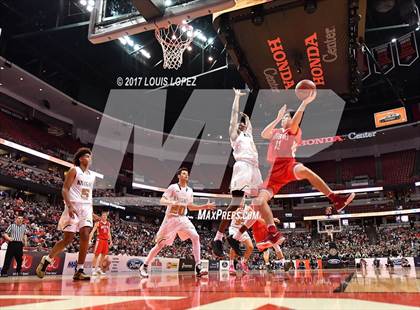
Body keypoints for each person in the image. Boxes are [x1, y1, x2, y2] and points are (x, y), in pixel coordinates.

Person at [235, 90, 355, 250]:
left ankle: (336, 199)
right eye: (284, 117)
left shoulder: (294, 131)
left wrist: (304, 103)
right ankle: (272, 232)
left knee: (305, 171)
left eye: (286, 117)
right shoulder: (277, 132)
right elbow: (264, 134)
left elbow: (294, 122)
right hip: (275, 172)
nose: (285, 118)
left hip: (288, 165)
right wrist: (278, 118)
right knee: (259, 200)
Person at [211, 88, 263, 258]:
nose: (241, 123)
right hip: (242, 167)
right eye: (240, 123)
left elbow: (249, 123)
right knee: (235, 203)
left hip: (255, 169)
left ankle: (235, 236)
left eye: (244, 123)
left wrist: (248, 119)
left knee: (259, 205)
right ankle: (218, 238)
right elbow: (233, 117)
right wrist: (237, 97)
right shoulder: (235, 136)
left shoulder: (249, 136)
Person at [139, 168, 216, 278]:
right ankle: (144, 266)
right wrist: (172, 201)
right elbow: (162, 200)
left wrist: (205, 206)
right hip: (170, 219)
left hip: (183, 218)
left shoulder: (190, 190)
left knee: (196, 236)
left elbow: (190, 206)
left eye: (187, 174)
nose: (186, 175)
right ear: (179, 176)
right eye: (184, 173)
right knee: (160, 245)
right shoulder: (173, 187)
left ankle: (198, 266)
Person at [36, 148, 99, 280]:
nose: (90, 159)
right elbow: (65, 189)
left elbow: (89, 195)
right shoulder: (74, 170)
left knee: (86, 234)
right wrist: (69, 206)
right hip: (73, 205)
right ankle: (47, 259)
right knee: (68, 240)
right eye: (87, 156)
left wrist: (91, 212)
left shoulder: (92, 175)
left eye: (91, 157)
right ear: (81, 159)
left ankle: (79, 270)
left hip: (86, 208)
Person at [228, 203, 254, 274]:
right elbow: (231, 217)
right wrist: (236, 214)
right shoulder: (234, 206)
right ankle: (231, 265)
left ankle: (243, 262)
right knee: (234, 245)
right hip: (233, 228)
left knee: (250, 247)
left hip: (242, 229)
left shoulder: (248, 208)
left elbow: (256, 216)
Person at [89, 211, 113, 276]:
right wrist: (89, 240)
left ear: (107, 217)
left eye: (105, 216)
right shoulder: (98, 223)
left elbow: (109, 233)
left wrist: (110, 241)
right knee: (96, 255)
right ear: (101, 216)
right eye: (103, 216)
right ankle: (93, 270)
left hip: (105, 241)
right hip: (99, 240)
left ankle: (99, 269)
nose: (104, 217)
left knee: (103, 255)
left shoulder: (108, 223)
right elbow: (92, 232)